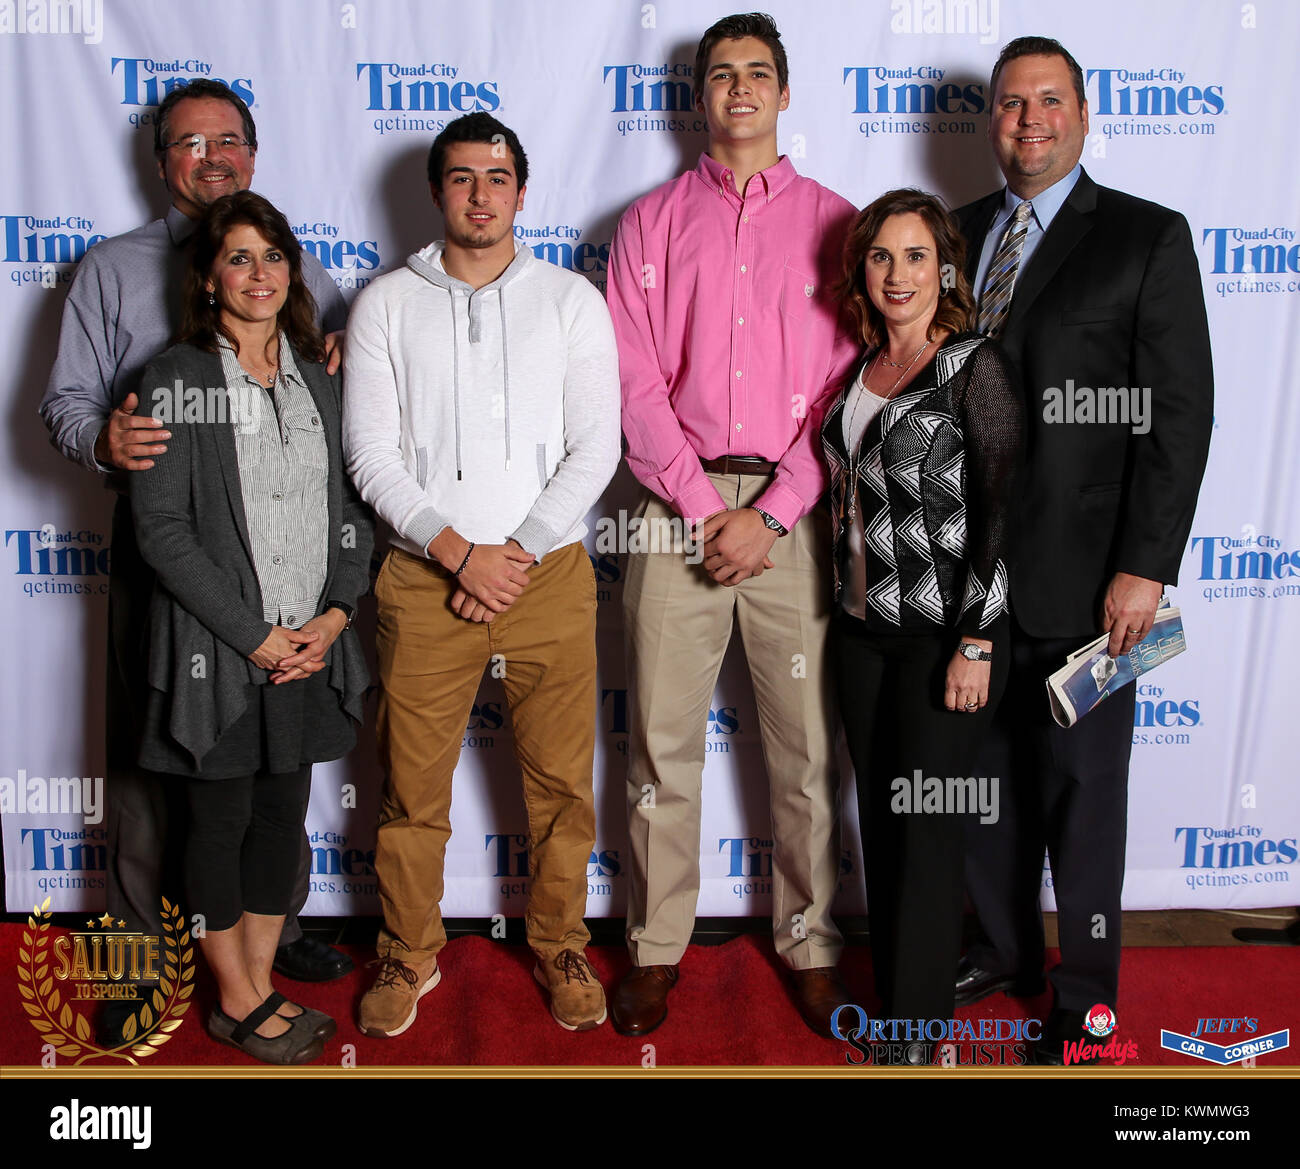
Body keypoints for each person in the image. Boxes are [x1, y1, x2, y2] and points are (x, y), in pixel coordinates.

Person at [39, 79, 354, 994]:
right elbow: (65, 401)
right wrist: (100, 434)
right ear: (160, 160)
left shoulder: (301, 267)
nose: (212, 156)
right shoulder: (110, 268)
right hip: (166, 545)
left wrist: (342, 353)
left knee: (276, 745)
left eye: (229, 139)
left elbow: (330, 378)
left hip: (287, 551)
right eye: (188, 142)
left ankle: (274, 923)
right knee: (156, 750)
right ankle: (141, 950)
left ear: (252, 154)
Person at [953, 37, 1213, 1064]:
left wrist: (1144, 567)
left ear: (1083, 112)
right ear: (992, 122)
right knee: (984, 783)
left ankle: (1088, 986)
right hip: (970, 581)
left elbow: (1179, 416)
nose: (1029, 121)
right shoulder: (958, 234)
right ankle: (1007, 948)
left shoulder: (1146, 237)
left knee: (1083, 793)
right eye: (1011, 106)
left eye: (1047, 101)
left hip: (1095, 580)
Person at [605, 12, 859, 1038]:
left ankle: (810, 938)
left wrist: (778, 508)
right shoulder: (649, 222)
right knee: (661, 746)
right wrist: (709, 509)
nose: (740, 88)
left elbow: (850, 388)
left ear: (785, 92)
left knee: (801, 751)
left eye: (759, 73)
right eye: (722, 73)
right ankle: (655, 946)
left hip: (796, 521)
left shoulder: (842, 222)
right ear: (698, 96)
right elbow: (629, 381)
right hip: (675, 513)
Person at [343, 112, 621, 1036]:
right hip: (426, 579)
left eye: (497, 178)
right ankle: (407, 952)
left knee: (560, 786)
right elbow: (369, 456)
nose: (480, 194)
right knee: (411, 789)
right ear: (435, 191)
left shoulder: (571, 301)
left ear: (521, 192)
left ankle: (559, 942)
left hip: (546, 574)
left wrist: (519, 550)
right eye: (461, 178)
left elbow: (596, 448)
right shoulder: (385, 301)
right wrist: (459, 552)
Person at [129, 191, 373, 1063]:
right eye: (238, 258)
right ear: (207, 277)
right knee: (218, 823)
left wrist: (336, 614)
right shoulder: (175, 378)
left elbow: (352, 510)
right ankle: (234, 998)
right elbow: (160, 530)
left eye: (272, 257)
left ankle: (258, 983)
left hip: (312, 646)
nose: (258, 274)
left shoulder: (319, 375)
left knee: (282, 816)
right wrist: (252, 635)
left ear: (292, 271)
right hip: (221, 656)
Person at [822, 189, 1022, 1063]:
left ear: (944, 269)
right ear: (860, 272)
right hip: (863, 632)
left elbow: (1004, 506)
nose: (897, 274)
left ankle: (921, 1035)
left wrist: (977, 638)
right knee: (887, 827)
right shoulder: (857, 372)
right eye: (880, 257)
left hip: (949, 635)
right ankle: (905, 1012)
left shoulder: (972, 364)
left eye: (914, 256)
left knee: (930, 831)